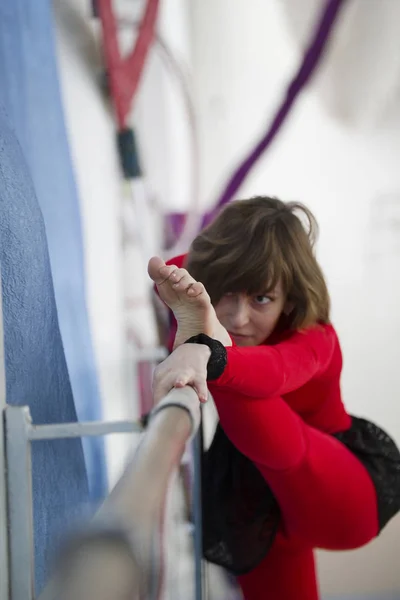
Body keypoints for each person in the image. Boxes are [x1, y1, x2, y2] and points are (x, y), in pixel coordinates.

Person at [148, 196, 400, 600]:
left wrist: (210, 354)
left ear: (291, 300)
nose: (239, 316)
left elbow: (274, 371)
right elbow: (173, 269)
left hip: (334, 492)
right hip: (256, 501)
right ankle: (210, 337)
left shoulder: (316, 339)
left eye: (261, 299)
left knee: (248, 390)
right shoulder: (209, 289)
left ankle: (210, 342)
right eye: (225, 294)